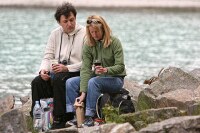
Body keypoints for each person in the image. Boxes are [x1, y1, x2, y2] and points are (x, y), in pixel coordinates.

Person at [30, 2, 85, 129]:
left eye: (72, 20)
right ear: (59, 22)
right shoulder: (55, 34)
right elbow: (48, 56)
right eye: (65, 21)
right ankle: (38, 119)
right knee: (37, 82)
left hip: (77, 71)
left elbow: (87, 63)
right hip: (58, 71)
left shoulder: (85, 34)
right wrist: (43, 70)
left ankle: (60, 119)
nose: (69, 24)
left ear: (75, 18)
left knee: (59, 79)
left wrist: (67, 68)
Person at [65, 15, 126, 127]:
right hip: (97, 77)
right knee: (71, 82)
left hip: (116, 79)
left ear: (103, 29)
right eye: (91, 32)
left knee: (93, 82)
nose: (94, 35)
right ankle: (75, 116)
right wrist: (83, 93)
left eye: (96, 32)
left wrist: (106, 70)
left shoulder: (115, 42)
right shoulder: (88, 45)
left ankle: (90, 116)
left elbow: (121, 67)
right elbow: (85, 69)